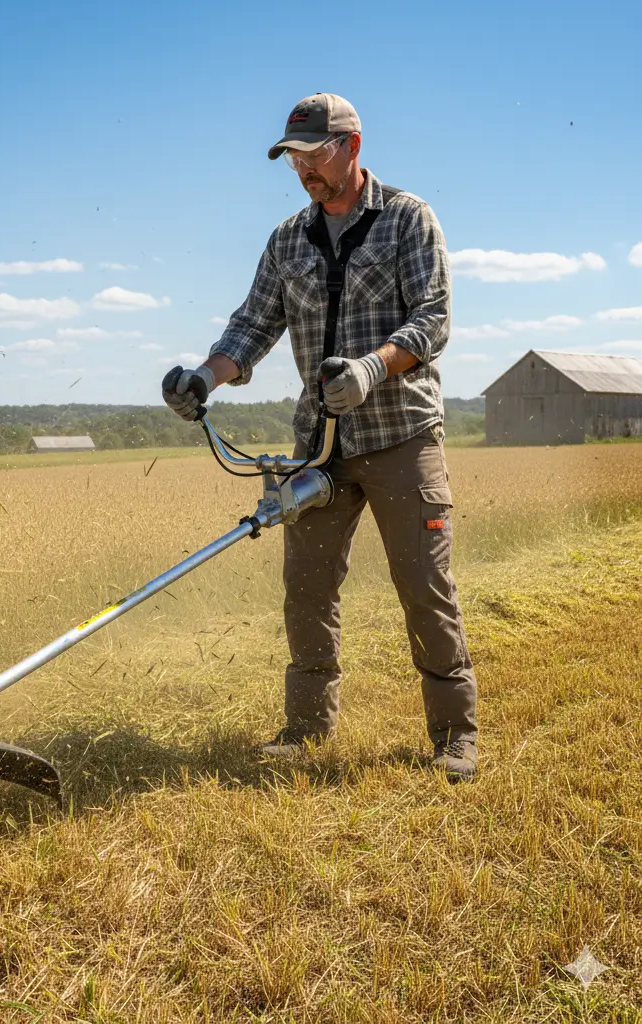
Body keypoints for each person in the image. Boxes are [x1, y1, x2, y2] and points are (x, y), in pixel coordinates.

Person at [162, 92, 478, 782]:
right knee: (306, 588)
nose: (303, 169)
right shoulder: (287, 240)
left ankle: (455, 735)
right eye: (293, 158)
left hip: (400, 433)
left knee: (423, 584)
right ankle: (307, 728)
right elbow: (253, 325)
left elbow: (433, 319)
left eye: (313, 154)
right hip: (320, 447)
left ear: (352, 146)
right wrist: (204, 378)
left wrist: (371, 369)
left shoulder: (408, 219)